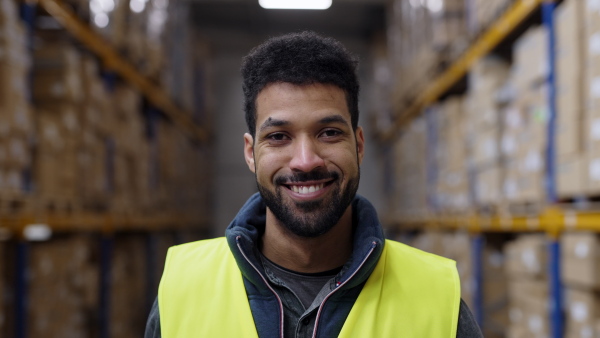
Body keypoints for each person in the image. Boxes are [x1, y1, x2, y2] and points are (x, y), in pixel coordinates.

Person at [145, 31, 483, 338]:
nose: (305, 160)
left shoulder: (437, 296)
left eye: (329, 133)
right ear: (251, 153)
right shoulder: (181, 288)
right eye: (278, 137)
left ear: (359, 145)